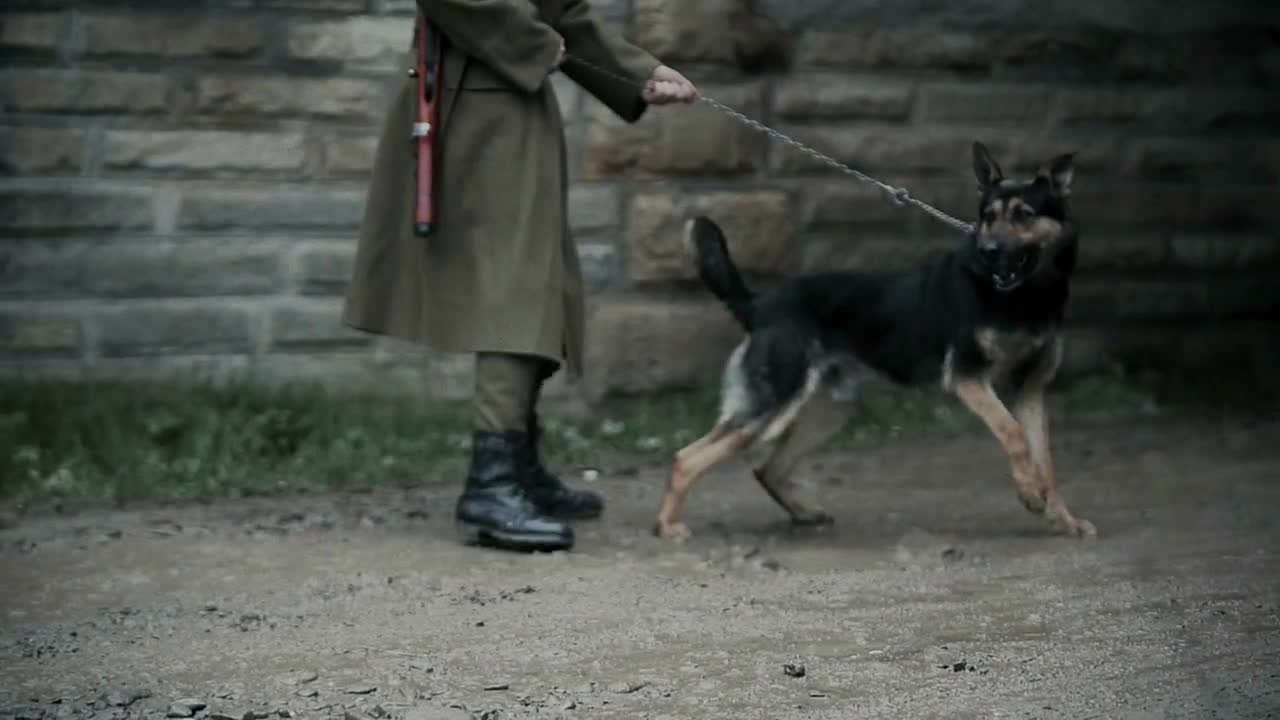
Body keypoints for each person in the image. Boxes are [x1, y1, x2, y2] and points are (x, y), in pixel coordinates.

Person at [342, 0, 698, 553]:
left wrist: (636, 71)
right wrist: (530, 43)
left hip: (513, 100)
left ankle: (517, 466)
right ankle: (492, 483)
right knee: (512, 287)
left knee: (539, 279)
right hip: (474, 104)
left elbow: (561, 9)